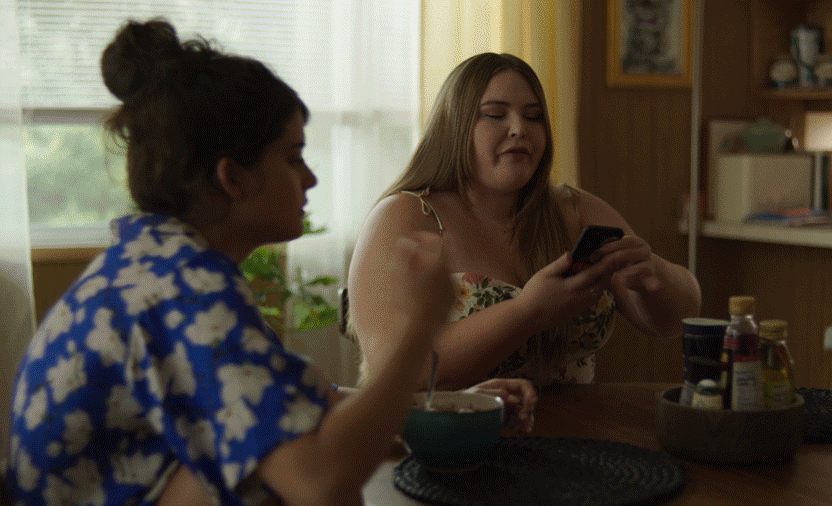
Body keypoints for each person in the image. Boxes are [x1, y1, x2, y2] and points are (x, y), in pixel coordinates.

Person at [4, 20, 535, 506]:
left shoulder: (154, 262)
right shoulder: (185, 287)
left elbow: (285, 403)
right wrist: (420, 328)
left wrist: (441, 408)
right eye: (293, 157)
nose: (310, 179)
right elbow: (318, 482)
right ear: (232, 177)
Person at [348, 52, 701, 390]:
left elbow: (675, 320)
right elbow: (392, 366)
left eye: (533, 117)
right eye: (495, 114)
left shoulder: (575, 210)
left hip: (578, 426)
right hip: (455, 428)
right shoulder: (406, 215)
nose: (519, 129)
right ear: (453, 126)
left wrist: (651, 275)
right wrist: (526, 312)